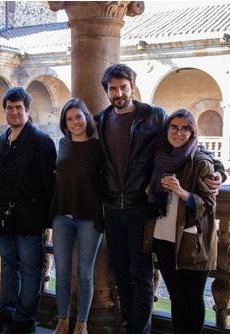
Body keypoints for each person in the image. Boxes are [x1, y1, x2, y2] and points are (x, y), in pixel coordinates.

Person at [95, 64, 225, 334]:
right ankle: (130, 323)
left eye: (123, 87)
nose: (118, 93)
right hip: (112, 208)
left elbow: (186, 143)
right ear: (106, 91)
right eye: (112, 88)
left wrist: (219, 169)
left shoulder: (154, 116)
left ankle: (140, 330)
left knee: (141, 275)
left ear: (133, 86)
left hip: (141, 208)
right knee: (120, 273)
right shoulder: (101, 119)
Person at [0, 87, 56, 334]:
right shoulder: (2, 141)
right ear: (5, 110)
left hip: (30, 218)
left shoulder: (41, 141)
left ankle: (25, 318)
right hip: (5, 217)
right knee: (8, 265)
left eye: (19, 108)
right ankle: (6, 311)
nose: (14, 112)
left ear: (27, 109)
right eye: (9, 108)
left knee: (29, 268)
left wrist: (44, 218)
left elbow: (49, 184)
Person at [146, 109, 216, 334]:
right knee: (176, 296)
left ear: (192, 131)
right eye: (174, 127)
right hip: (163, 236)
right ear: (167, 129)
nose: (179, 133)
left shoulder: (201, 162)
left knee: (193, 298)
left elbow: (208, 205)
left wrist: (181, 191)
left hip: (190, 240)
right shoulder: (159, 157)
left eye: (185, 128)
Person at [52, 98, 103, 334]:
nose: (75, 122)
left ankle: (81, 323)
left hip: (89, 219)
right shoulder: (62, 144)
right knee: (61, 272)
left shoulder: (98, 147)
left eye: (78, 117)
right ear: (65, 122)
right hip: (62, 217)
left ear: (86, 117)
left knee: (84, 273)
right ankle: (63, 320)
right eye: (69, 119)